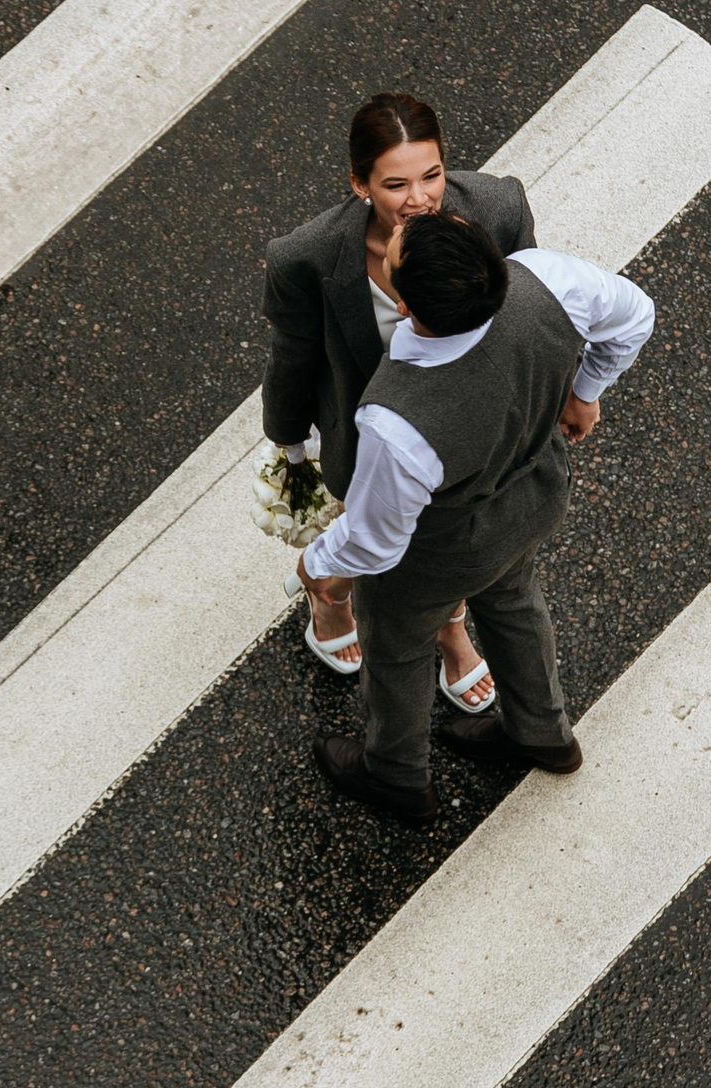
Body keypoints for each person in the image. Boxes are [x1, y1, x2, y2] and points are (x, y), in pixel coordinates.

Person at [299, 211, 654, 824]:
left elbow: (376, 544)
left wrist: (318, 564)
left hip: (445, 549)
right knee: (513, 598)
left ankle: (396, 773)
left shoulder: (396, 419)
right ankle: (543, 732)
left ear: (407, 305)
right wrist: (584, 390)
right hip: (535, 493)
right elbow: (634, 315)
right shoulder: (544, 279)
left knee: (399, 644)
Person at [262, 92, 534, 712]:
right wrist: (290, 443)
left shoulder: (498, 207)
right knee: (400, 539)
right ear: (359, 184)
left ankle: (423, 619)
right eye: (395, 184)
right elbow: (293, 354)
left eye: (432, 175)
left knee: (448, 539)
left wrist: (573, 392)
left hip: (466, 420)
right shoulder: (304, 257)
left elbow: (528, 308)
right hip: (372, 432)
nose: (420, 199)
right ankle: (338, 600)